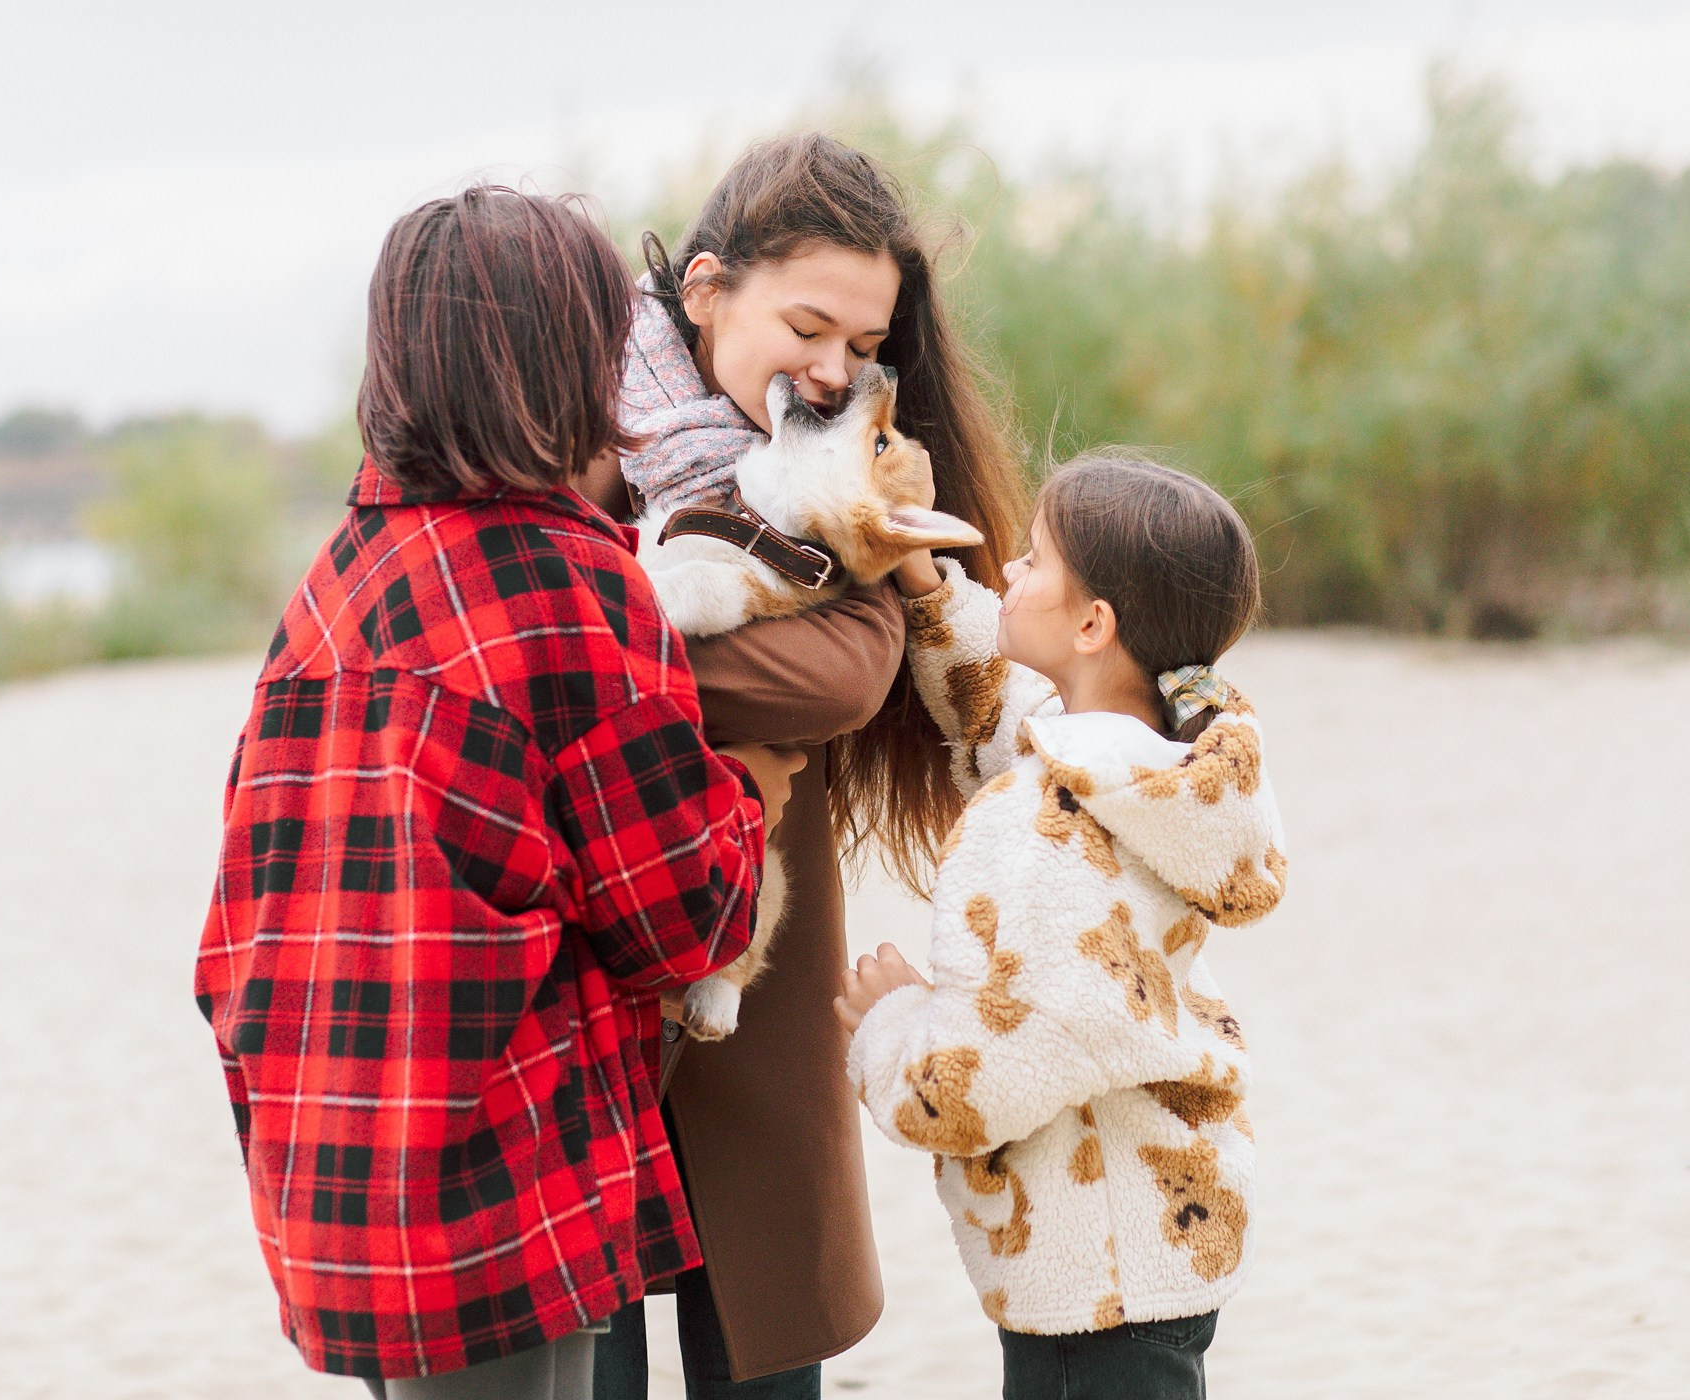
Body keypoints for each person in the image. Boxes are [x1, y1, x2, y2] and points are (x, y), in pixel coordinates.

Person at [193, 185, 806, 1399]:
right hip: (488, 1173)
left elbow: (242, 902)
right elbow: (686, 915)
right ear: (560, 359)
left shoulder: (338, 579)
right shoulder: (567, 579)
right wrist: (753, 785)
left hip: (323, 1160)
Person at [581, 133, 1028, 1398]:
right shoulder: (571, 418)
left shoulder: (846, 476)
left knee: (765, 1342)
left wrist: (600, 658)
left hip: (754, 946)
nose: (836, 372)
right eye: (811, 326)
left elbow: (850, 671)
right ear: (709, 287)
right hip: (582, 948)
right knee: (587, 1341)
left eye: (866, 347)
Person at [836, 452, 1289, 1400]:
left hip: (1095, 1273)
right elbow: (1008, 718)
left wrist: (891, 1029)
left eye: (1033, 561)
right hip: (1155, 1230)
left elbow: (994, 1074)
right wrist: (924, 580)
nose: (1008, 572)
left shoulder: (1042, 825)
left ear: (1093, 623)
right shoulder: (1151, 764)